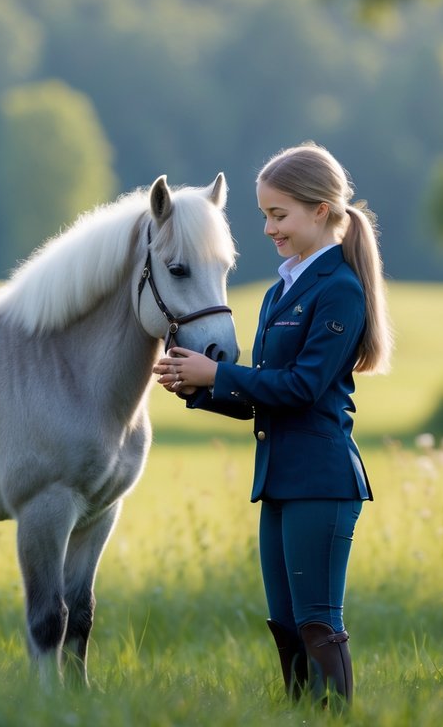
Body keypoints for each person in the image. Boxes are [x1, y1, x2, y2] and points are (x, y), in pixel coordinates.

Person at [152, 142, 392, 711]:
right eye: (264, 214)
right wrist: (198, 388)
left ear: (321, 210)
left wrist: (219, 371)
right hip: (280, 481)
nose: (268, 228)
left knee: (316, 624)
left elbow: (303, 389)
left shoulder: (338, 289)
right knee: (284, 626)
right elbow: (265, 396)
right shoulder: (278, 290)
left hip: (322, 480)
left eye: (278, 214)